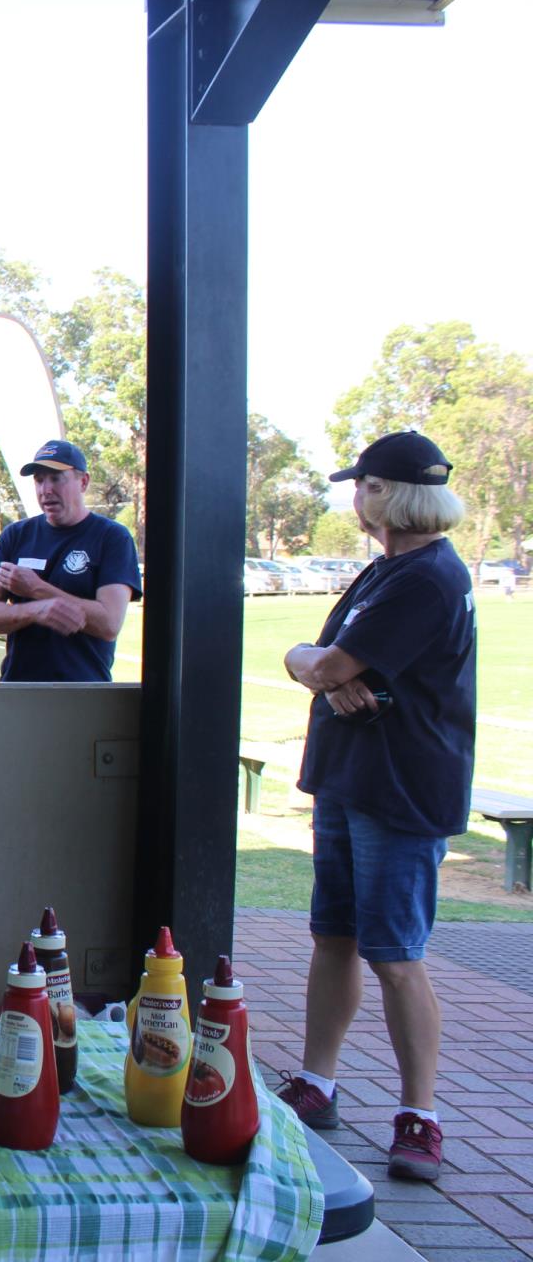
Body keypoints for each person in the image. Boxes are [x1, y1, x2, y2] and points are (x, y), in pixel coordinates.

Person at [275, 430, 476, 1183]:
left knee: (395, 956)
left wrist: (316, 669)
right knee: (334, 937)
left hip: (400, 793)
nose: (354, 498)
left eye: (361, 485)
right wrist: (317, 669)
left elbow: (323, 662)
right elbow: (321, 662)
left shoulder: (425, 579)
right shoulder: (389, 570)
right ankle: (318, 1084)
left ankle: (420, 1115)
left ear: (383, 493)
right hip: (351, 779)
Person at [0, 440, 141, 681]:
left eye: (56, 478)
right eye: (39, 480)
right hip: (19, 690)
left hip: (84, 692)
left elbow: (109, 623)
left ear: (83, 481)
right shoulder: (15, 536)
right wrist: (36, 611)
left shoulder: (112, 538)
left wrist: (38, 589)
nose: (46, 490)